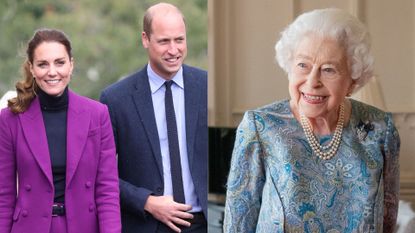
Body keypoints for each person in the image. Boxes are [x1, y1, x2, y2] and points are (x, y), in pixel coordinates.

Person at [223, 8, 400, 233]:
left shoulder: (380, 128)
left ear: (353, 80)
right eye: (303, 65)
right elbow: (238, 224)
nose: (312, 81)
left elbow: (388, 220)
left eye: (329, 69)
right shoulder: (261, 127)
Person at [100, 3, 207, 233]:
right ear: (145, 39)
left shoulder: (208, 88)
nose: (173, 49)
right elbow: (100, 173)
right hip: (146, 224)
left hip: (203, 224)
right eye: (164, 41)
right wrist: (147, 202)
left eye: (179, 40)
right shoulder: (116, 99)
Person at [0, 28, 121, 233]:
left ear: (71, 64)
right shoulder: (10, 119)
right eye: (42, 64)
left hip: (83, 227)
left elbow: (107, 190)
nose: (52, 72)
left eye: (60, 62)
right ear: (31, 68)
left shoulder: (97, 114)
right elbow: (4, 195)